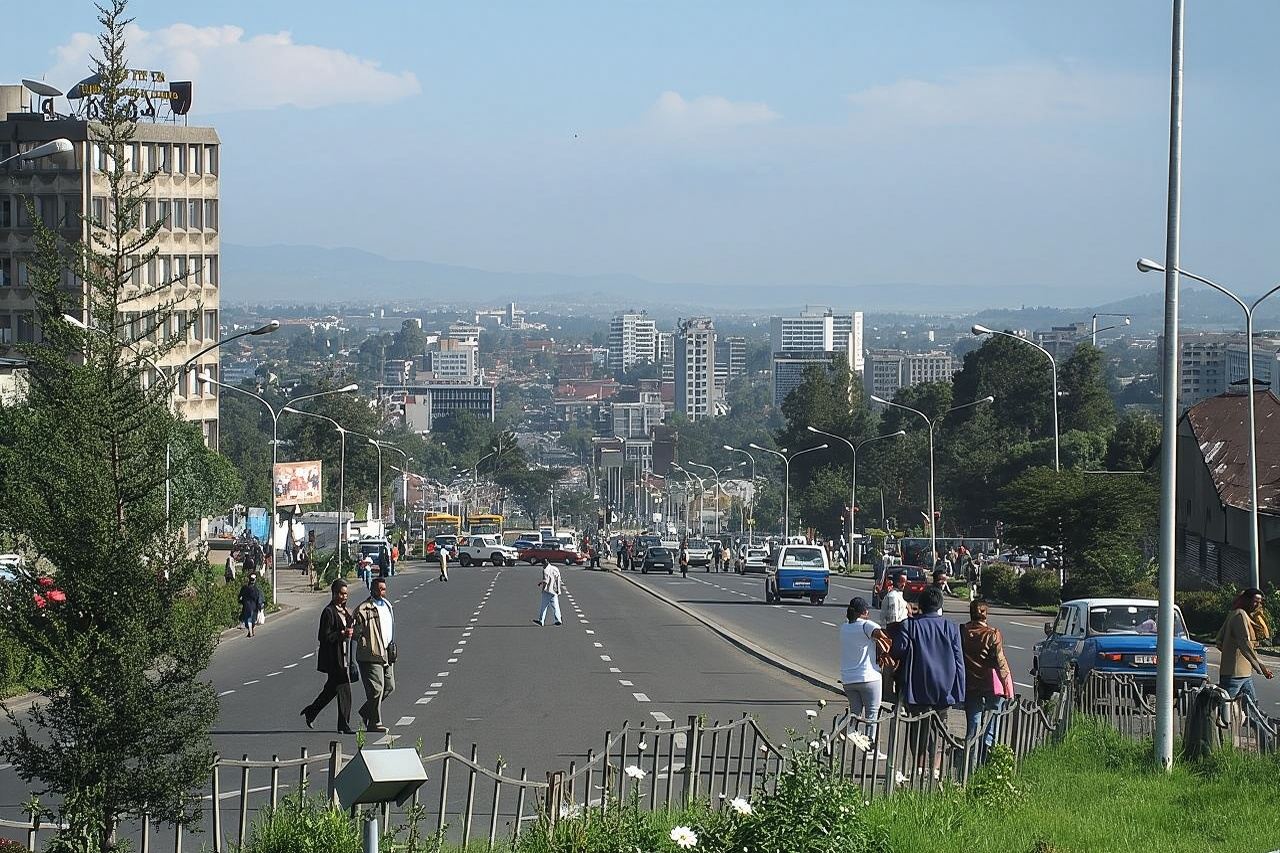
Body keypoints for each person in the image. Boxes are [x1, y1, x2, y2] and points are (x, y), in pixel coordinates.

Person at [891, 588, 965, 778]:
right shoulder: (951, 627)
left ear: (920, 606)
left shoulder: (910, 625)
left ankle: (920, 766)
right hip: (944, 688)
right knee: (941, 729)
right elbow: (959, 661)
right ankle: (936, 768)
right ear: (940, 606)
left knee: (918, 727)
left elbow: (898, 649)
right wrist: (959, 690)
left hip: (918, 687)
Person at [961, 600, 1014, 766]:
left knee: (973, 726)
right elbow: (1001, 662)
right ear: (986, 614)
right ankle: (986, 764)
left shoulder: (962, 631)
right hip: (991, 685)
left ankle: (970, 767)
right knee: (992, 725)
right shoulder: (993, 634)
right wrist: (1008, 687)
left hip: (970, 685)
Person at [301, 579, 357, 734]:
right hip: (334, 658)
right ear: (334, 593)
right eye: (341, 593)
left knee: (331, 690)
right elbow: (323, 636)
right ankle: (343, 725)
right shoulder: (329, 612)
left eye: (346, 594)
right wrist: (341, 634)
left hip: (345, 656)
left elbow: (350, 626)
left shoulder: (344, 610)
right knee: (345, 690)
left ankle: (311, 711)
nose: (344, 596)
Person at [1216, 588, 1274, 720]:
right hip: (1234, 675)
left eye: (1259, 602)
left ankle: (1266, 738)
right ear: (1246, 600)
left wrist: (1229, 651)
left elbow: (1219, 641)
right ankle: (1214, 737)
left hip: (1243, 674)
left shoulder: (1236, 614)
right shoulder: (1239, 616)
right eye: (1254, 601)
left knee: (1253, 710)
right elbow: (1245, 644)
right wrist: (1261, 667)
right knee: (1222, 712)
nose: (1257, 605)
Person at [841, 597, 889, 747]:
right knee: (872, 714)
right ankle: (870, 746)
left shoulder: (844, 627)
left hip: (848, 679)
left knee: (854, 713)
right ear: (865, 612)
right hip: (869, 678)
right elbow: (880, 634)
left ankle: (839, 734)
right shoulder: (866, 625)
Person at [353, 577, 396, 733]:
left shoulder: (387, 605)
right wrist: (352, 659)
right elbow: (355, 635)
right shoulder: (363, 609)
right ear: (372, 589)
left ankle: (366, 712)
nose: (382, 592)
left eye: (384, 589)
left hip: (387, 652)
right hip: (370, 654)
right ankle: (374, 723)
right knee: (376, 689)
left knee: (389, 687)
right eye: (379, 589)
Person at [534, 558, 564, 626]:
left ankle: (541, 621)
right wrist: (558, 589)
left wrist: (542, 588)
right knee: (556, 606)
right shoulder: (555, 568)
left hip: (547, 590)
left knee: (543, 606)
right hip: (554, 590)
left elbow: (546, 581)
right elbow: (558, 578)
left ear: (544, 564)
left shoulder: (545, 570)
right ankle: (558, 619)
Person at [238, 573, 265, 638]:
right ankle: (251, 631)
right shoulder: (254, 588)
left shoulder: (247, 588)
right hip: (252, 606)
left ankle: (250, 631)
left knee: (249, 619)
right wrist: (261, 605)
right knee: (250, 619)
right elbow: (260, 598)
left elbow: (240, 597)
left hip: (248, 606)